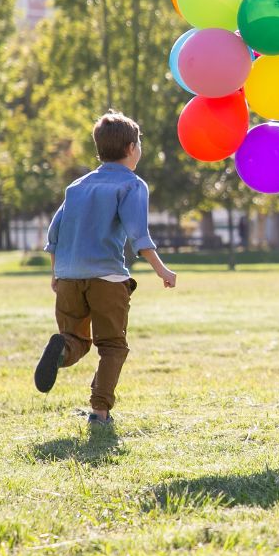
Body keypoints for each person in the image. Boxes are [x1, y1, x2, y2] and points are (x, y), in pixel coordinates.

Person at [34, 110, 177, 429]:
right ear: (131, 148)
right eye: (139, 143)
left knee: (76, 339)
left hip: (69, 277)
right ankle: (99, 411)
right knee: (112, 345)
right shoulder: (132, 185)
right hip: (107, 278)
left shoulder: (77, 186)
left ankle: (62, 349)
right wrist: (162, 271)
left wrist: (56, 273)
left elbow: (54, 234)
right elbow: (139, 235)